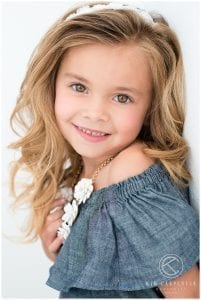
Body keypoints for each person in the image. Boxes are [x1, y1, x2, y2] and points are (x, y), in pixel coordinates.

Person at [9, 1, 199, 298]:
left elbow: (188, 291)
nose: (95, 113)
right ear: (52, 85)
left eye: (122, 97)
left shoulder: (130, 171)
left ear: (150, 108)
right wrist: (61, 250)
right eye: (79, 87)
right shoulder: (85, 173)